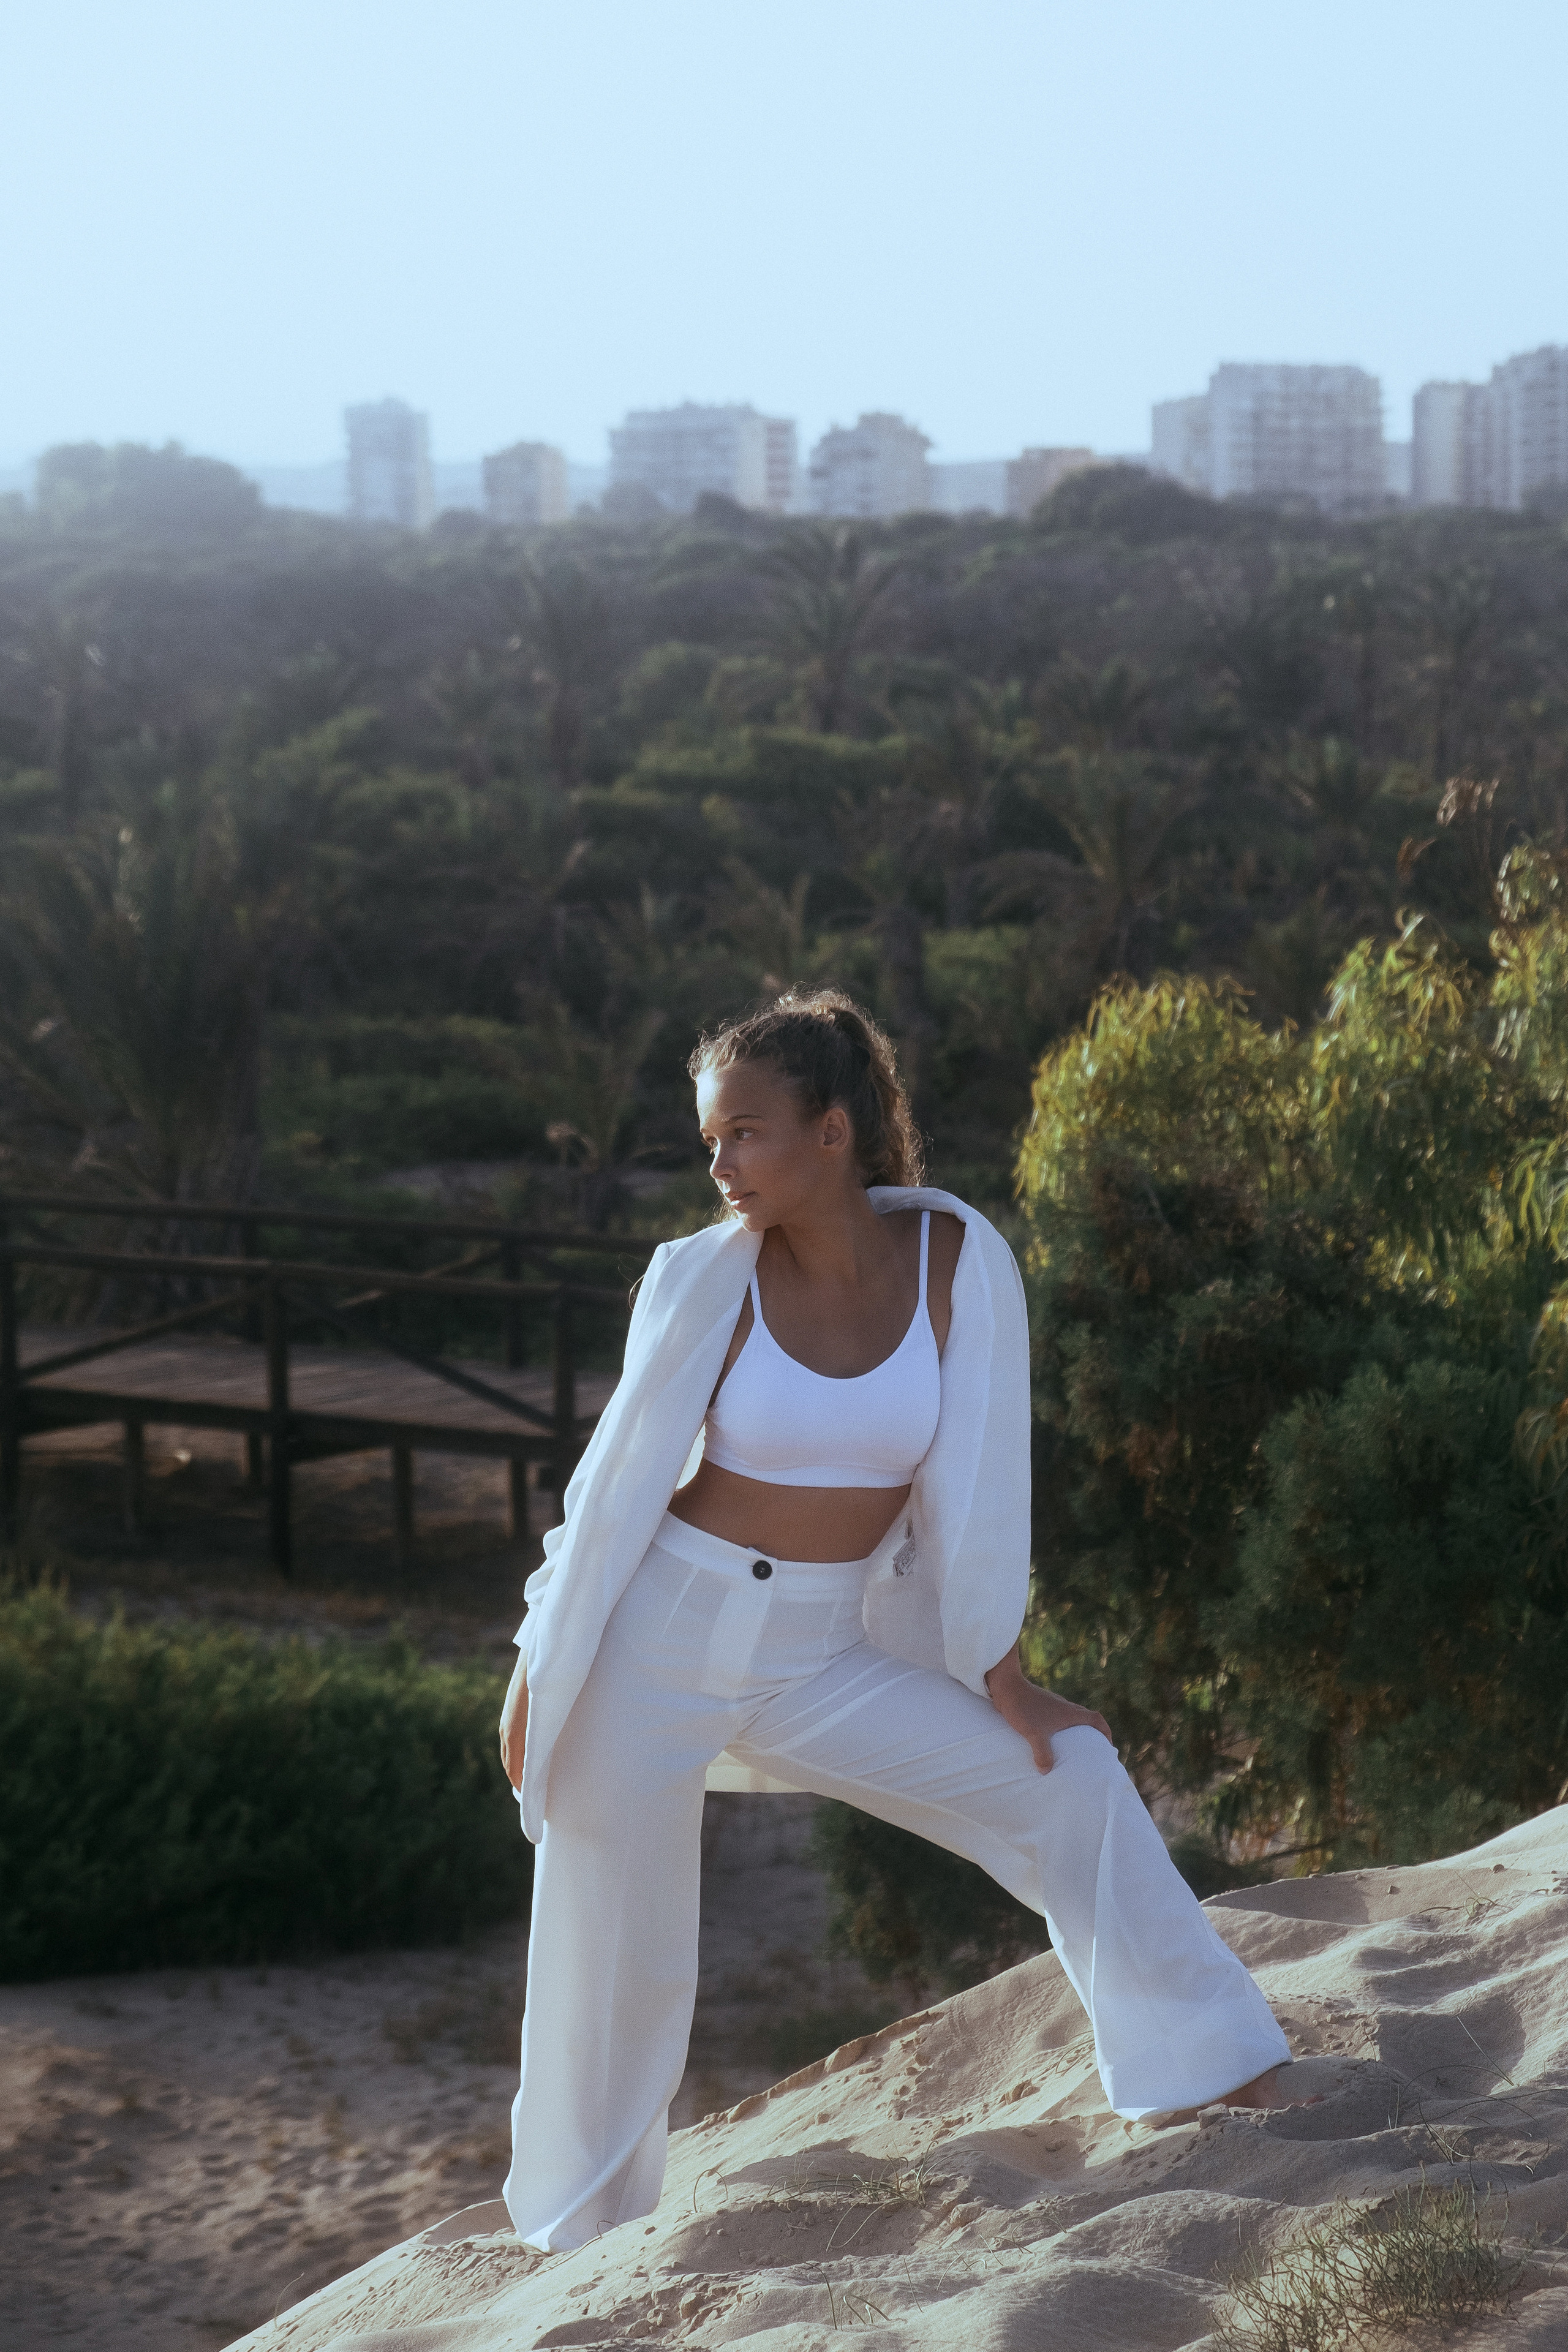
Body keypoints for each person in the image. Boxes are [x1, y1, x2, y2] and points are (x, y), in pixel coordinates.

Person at [497, 987, 1293, 2253]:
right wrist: (544, 1658)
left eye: (745, 1132)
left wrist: (1005, 1674)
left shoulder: (957, 1263)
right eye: (710, 1140)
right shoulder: (702, 1279)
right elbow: (608, 1489)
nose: (720, 1164)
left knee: (1070, 1778)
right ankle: (572, 2249)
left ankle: (1209, 2064)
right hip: (652, 1642)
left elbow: (977, 1496)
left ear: (834, 1131)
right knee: (615, 1964)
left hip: (817, 1656)